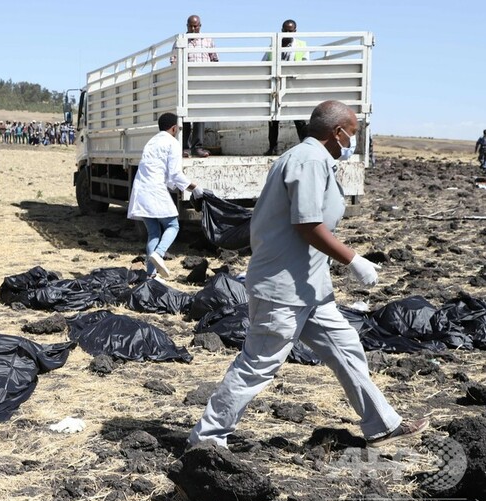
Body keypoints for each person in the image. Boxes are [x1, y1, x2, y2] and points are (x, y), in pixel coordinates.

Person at [188, 100, 429, 449]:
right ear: (337, 132)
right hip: (283, 289)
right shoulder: (309, 161)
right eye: (352, 135)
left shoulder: (311, 159)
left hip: (310, 288)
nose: (353, 142)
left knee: (346, 348)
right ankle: (207, 439)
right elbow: (307, 224)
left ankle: (383, 425)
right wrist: (353, 259)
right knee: (257, 365)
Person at [127, 112, 203, 279]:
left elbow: (166, 172)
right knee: (173, 226)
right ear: (174, 128)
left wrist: (173, 184)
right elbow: (175, 174)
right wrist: (195, 188)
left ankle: (151, 275)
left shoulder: (152, 141)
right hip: (154, 189)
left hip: (141, 189)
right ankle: (159, 253)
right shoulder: (172, 143)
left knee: (154, 232)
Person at [264, 19, 309, 155]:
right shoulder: (274, 45)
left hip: (293, 86)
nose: (288, 33)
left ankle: (306, 146)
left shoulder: (302, 45)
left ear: (295, 31)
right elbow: (265, 62)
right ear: (282, 30)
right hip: (276, 86)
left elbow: (306, 66)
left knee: (299, 118)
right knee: (273, 118)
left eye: (291, 31)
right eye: (286, 30)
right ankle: (272, 147)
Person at [181, 15, 218, 158]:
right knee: (185, 117)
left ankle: (197, 147)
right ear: (187, 25)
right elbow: (174, 61)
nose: (193, 28)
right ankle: (184, 147)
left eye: (195, 26)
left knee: (200, 115)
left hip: (202, 82)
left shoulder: (207, 40)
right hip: (186, 83)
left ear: (200, 26)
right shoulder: (181, 41)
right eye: (190, 26)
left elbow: (214, 60)